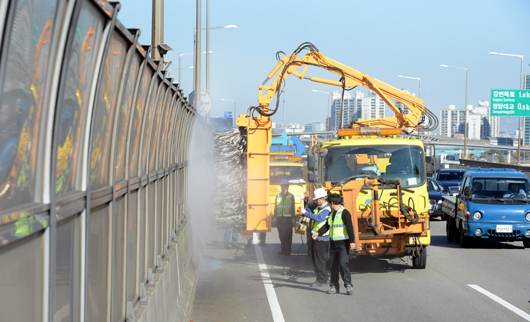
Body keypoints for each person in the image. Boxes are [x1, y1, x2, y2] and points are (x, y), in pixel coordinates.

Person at [312, 193, 356, 295]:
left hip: (343, 244)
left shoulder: (344, 212)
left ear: (332, 203)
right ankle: (334, 286)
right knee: (333, 266)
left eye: (328, 203)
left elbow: (350, 228)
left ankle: (348, 285)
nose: (328, 204)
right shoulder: (331, 213)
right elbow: (327, 226)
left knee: (343, 264)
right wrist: (318, 233)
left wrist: (352, 241)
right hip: (332, 244)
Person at [298, 188, 331, 287]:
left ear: (322, 198)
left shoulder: (327, 210)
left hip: (321, 238)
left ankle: (322, 279)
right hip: (316, 238)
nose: (315, 202)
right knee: (317, 259)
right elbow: (310, 212)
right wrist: (306, 205)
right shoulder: (318, 208)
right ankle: (323, 277)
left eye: (316, 200)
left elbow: (318, 218)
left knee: (319, 260)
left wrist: (305, 212)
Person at [275, 179, 295, 255]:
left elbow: (293, 207)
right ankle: (283, 249)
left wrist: (293, 218)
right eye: (283, 186)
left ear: (288, 186)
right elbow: (276, 207)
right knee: (281, 234)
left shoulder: (291, 196)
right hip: (280, 218)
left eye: (286, 186)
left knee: (288, 235)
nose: (284, 187)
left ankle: (288, 250)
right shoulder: (278, 196)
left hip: (288, 218)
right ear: (281, 187)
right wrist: (275, 217)